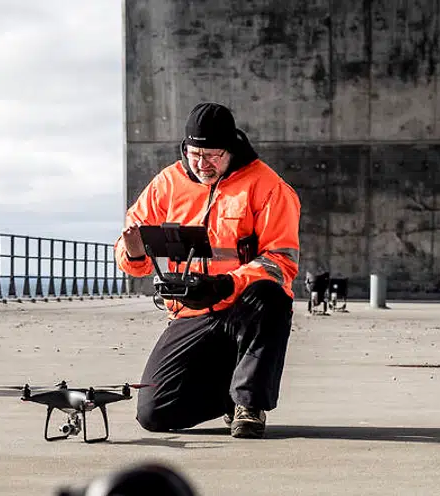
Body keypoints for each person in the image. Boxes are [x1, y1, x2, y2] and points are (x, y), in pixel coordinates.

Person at [115, 102, 301, 439]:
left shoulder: (268, 186)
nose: (202, 164)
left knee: (272, 297)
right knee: (154, 414)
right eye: (195, 154)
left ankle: (249, 403)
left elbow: (281, 261)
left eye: (212, 155)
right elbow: (134, 255)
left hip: (245, 306)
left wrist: (225, 284)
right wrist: (132, 252)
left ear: (232, 149)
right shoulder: (166, 184)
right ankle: (227, 395)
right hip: (190, 312)